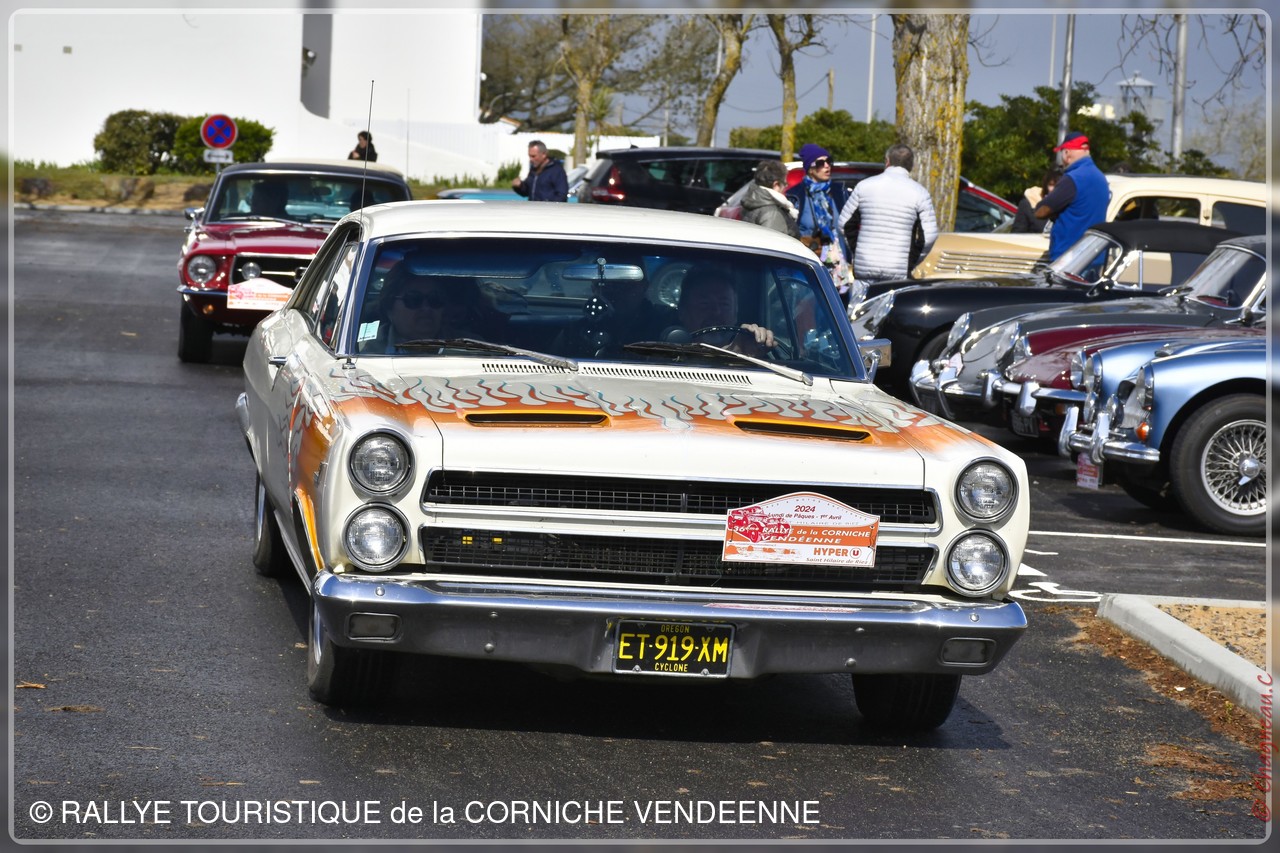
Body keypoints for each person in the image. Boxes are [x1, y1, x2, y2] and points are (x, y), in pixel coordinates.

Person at [837, 142, 938, 291]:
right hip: (898, 271)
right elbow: (929, 236)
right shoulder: (920, 193)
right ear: (911, 166)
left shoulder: (864, 186)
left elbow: (844, 224)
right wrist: (911, 261)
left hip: (865, 268)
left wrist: (857, 252)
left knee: (860, 306)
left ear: (887, 161)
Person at [367, 260, 495, 353]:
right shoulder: (364, 352)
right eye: (414, 300)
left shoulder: (473, 348)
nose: (426, 308)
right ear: (389, 306)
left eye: (435, 300)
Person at [785, 144, 853, 298]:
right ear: (810, 168)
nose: (827, 166)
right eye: (821, 163)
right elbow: (790, 230)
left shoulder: (840, 191)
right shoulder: (795, 195)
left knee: (838, 307)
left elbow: (849, 226)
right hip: (808, 263)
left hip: (838, 265)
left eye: (829, 161)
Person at [664, 266, 775, 356]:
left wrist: (743, 352)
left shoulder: (755, 362)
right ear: (682, 312)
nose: (716, 311)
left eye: (724, 304)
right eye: (705, 304)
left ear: (735, 314)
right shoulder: (660, 360)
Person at [1034, 131, 1110, 261]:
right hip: (1095, 256)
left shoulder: (1072, 179)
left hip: (1069, 258)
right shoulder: (1101, 178)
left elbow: (1041, 211)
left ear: (1067, 153)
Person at [740, 160, 799, 237]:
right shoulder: (772, 213)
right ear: (776, 185)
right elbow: (773, 242)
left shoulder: (751, 201)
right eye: (785, 184)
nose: (786, 187)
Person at [1011, 168, 1061, 234]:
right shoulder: (1028, 204)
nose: (1054, 189)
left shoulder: (1068, 207)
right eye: (1051, 185)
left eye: (1057, 185)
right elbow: (1017, 234)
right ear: (1046, 186)